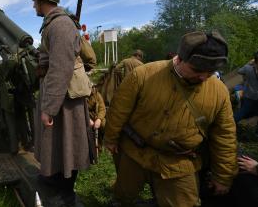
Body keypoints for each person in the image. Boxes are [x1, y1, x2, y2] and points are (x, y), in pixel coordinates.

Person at [104, 31, 237, 206]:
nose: (204, 77)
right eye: (197, 69)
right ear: (179, 59)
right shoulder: (143, 75)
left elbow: (225, 135)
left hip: (179, 164)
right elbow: (118, 110)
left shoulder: (219, 92)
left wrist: (223, 175)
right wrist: (111, 138)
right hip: (135, 153)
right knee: (123, 196)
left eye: (211, 71)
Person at [31, 0, 91, 206]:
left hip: (65, 98)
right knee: (56, 142)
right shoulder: (53, 24)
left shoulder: (60, 25)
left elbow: (60, 67)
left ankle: (66, 191)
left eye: (34, 2)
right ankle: (54, 179)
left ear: (42, 0)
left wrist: (49, 107)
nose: (33, 6)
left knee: (69, 143)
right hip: (60, 96)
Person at [234, 51, 258, 123]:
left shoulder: (248, 68)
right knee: (247, 112)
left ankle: (229, 124)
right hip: (256, 98)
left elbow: (239, 71)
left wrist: (249, 63)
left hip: (248, 96)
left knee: (243, 112)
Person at [87, 85, 106, 151]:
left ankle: (100, 144)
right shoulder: (81, 96)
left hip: (96, 116)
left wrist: (99, 119)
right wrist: (87, 119)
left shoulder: (97, 95)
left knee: (103, 124)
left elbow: (102, 109)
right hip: (84, 117)